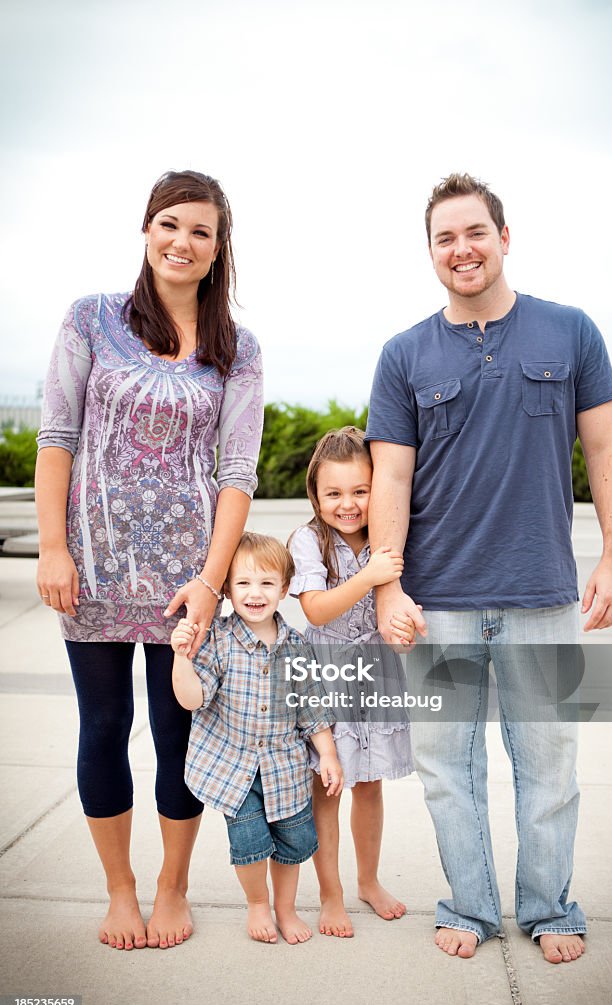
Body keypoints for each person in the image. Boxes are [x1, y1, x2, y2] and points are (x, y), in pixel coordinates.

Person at [365, 173, 612, 964]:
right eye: (445, 238)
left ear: (504, 237)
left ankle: (550, 908)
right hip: (437, 600)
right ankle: (471, 908)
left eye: (474, 231)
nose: (462, 249)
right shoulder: (404, 354)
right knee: (450, 772)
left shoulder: (571, 331)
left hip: (542, 594)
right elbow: (390, 478)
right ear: (431, 253)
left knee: (549, 766)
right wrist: (389, 585)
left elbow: (606, 449)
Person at [35, 170, 264, 952]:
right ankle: (121, 891)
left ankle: (172, 887)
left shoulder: (238, 349)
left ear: (218, 247)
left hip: (185, 587)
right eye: (170, 223)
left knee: (179, 736)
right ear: (146, 230)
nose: (183, 241)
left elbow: (237, 474)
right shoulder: (91, 319)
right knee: (104, 726)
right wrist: (55, 550)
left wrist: (209, 584)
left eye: (202, 230)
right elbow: (57, 438)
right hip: (92, 573)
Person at [171, 532, 343, 944]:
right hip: (234, 768)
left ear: (284, 589)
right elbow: (192, 699)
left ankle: (286, 908)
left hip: (285, 767)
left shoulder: (297, 647)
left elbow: (312, 708)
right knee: (248, 842)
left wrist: (329, 756)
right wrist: (181, 659)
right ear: (227, 589)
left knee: (292, 839)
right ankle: (257, 904)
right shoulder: (217, 640)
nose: (255, 593)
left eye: (267, 583)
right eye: (244, 583)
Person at [288, 426, 415, 939]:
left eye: (361, 491)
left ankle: (368, 880)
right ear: (315, 495)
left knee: (369, 784)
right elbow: (316, 611)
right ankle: (330, 893)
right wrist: (369, 576)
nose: (348, 504)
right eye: (333, 493)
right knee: (328, 786)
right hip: (327, 675)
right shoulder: (309, 540)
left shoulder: (387, 537)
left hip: (376, 672)